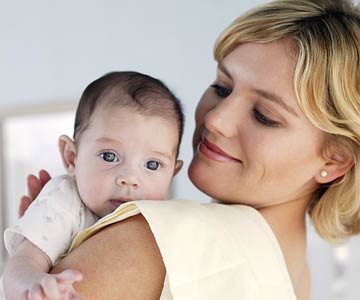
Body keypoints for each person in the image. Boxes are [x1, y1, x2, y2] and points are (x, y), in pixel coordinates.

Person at [15, 0, 360, 299]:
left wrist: (36, 255)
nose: (216, 120)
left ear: (335, 160)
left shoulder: (155, 238)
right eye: (222, 88)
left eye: (264, 116)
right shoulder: (297, 271)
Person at [2, 71, 184, 300]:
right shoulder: (65, 201)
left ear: (172, 174)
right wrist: (36, 286)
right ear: (72, 157)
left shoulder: (161, 220)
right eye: (109, 156)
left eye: (152, 164)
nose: (130, 178)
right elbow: (21, 263)